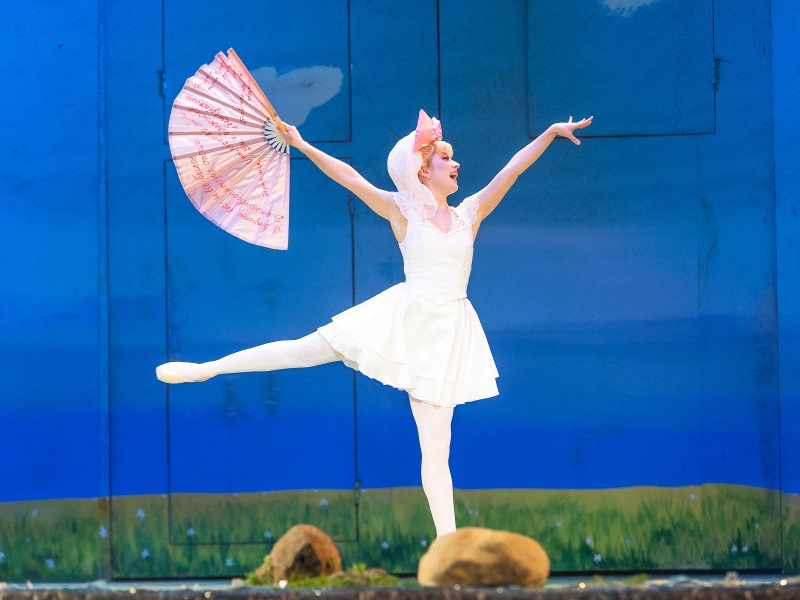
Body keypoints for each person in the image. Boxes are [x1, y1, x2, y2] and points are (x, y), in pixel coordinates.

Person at [156, 110, 593, 539]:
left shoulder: (469, 214)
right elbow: (351, 178)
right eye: (445, 158)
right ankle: (208, 369)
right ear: (423, 171)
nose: (456, 163)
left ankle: (447, 550)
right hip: (402, 317)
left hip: (446, 336)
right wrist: (303, 144)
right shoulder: (404, 212)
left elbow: (511, 170)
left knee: (436, 452)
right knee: (302, 350)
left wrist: (550, 133)